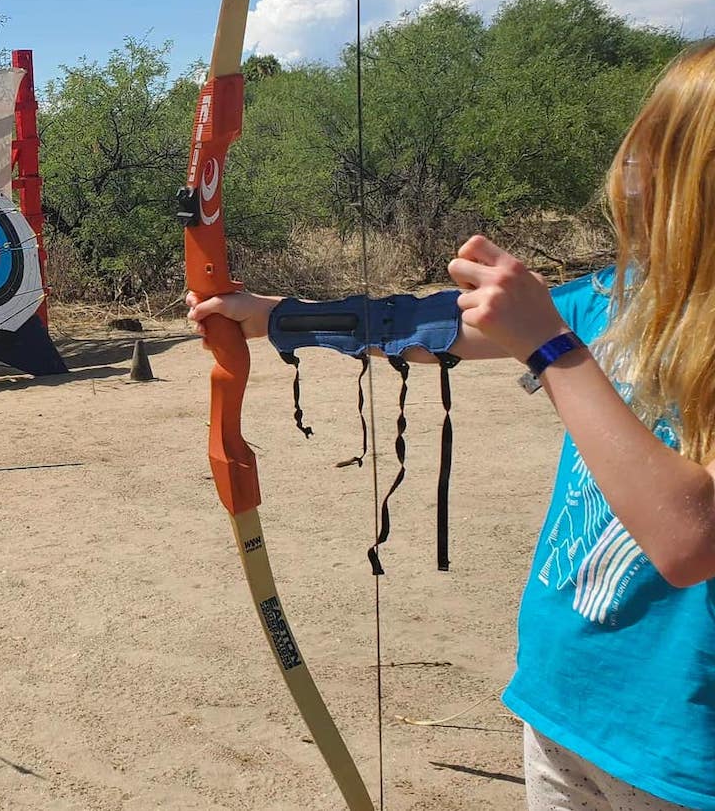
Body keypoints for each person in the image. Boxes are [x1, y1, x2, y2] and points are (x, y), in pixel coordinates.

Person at [187, 39, 715, 811]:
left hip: (682, 750)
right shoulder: (618, 297)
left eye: (655, 150)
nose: (628, 171)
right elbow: (425, 325)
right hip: (566, 704)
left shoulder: (576, 324)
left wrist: (550, 346)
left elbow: (689, 538)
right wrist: (275, 317)